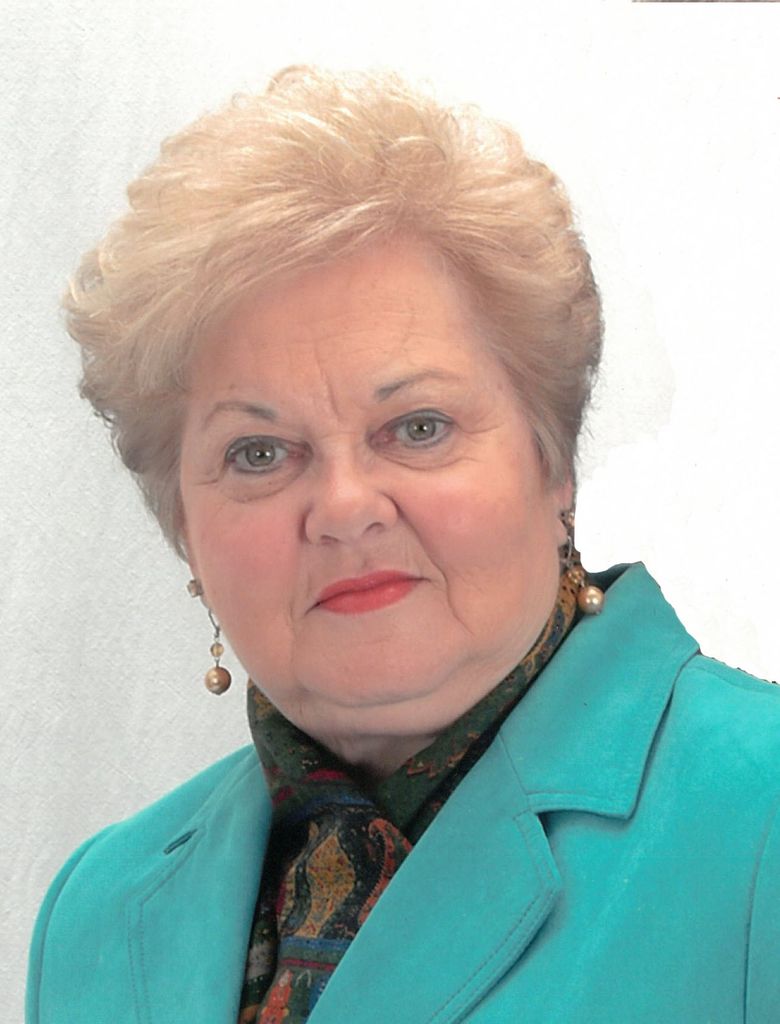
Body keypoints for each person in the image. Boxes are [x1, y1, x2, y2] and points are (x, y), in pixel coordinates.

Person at [26, 66, 780, 1024]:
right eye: (259, 452)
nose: (345, 507)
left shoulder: (761, 816)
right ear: (183, 525)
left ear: (554, 463)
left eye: (418, 427)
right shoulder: (99, 909)